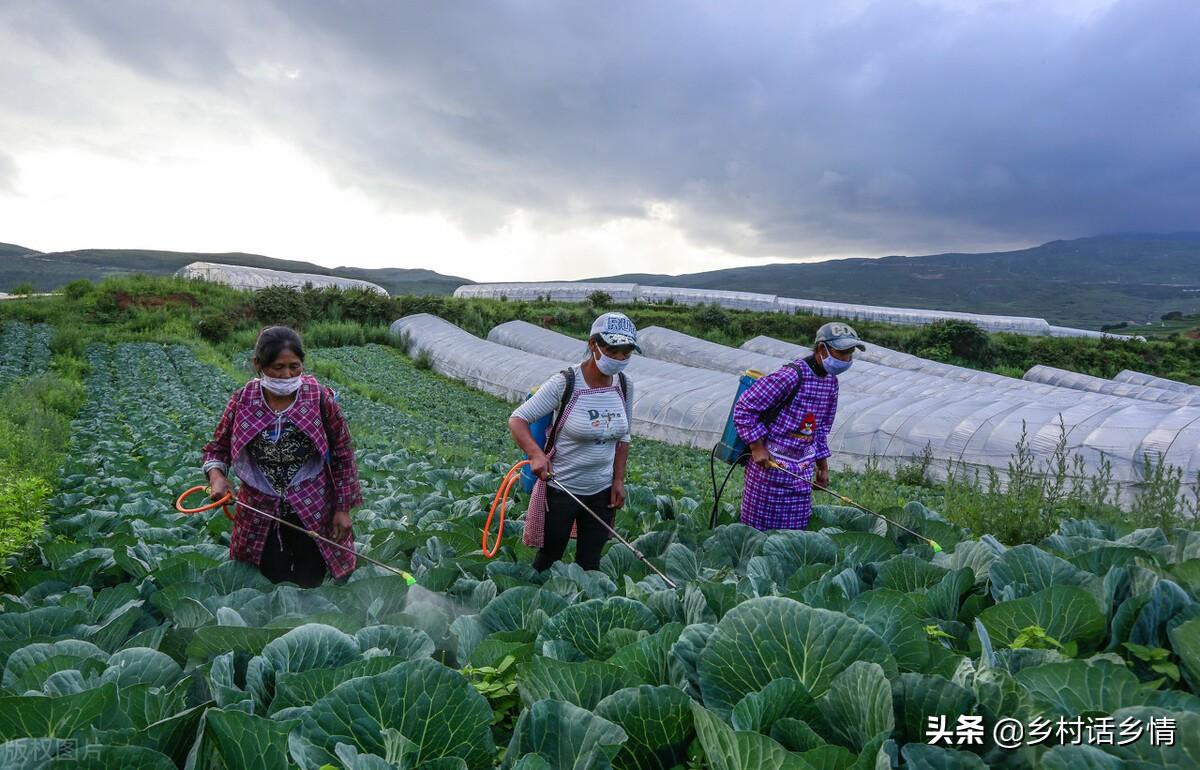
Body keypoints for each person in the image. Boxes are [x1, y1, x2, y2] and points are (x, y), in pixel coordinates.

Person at [202, 326, 362, 587]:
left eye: (294, 366)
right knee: (265, 578)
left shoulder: (319, 397)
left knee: (310, 578)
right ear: (258, 364)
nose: (286, 375)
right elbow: (216, 448)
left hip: (313, 505)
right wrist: (217, 476)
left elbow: (343, 452)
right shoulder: (243, 400)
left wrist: (343, 508)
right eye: (277, 367)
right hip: (259, 508)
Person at [509, 312, 637, 571]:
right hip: (563, 489)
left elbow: (624, 437)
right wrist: (535, 454)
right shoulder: (565, 383)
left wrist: (618, 480)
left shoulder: (624, 384)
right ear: (593, 345)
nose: (620, 358)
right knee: (549, 558)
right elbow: (518, 419)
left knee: (590, 563)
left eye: (627, 352)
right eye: (614, 350)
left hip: (602, 491)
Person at [732, 322, 864, 530]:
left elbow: (819, 430)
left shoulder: (830, 382)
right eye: (843, 353)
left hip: (800, 475)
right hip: (768, 472)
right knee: (757, 533)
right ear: (822, 349)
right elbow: (744, 408)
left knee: (794, 533)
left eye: (850, 354)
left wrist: (822, 468)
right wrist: (757, 447)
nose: (847, 360)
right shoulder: (791, 375)